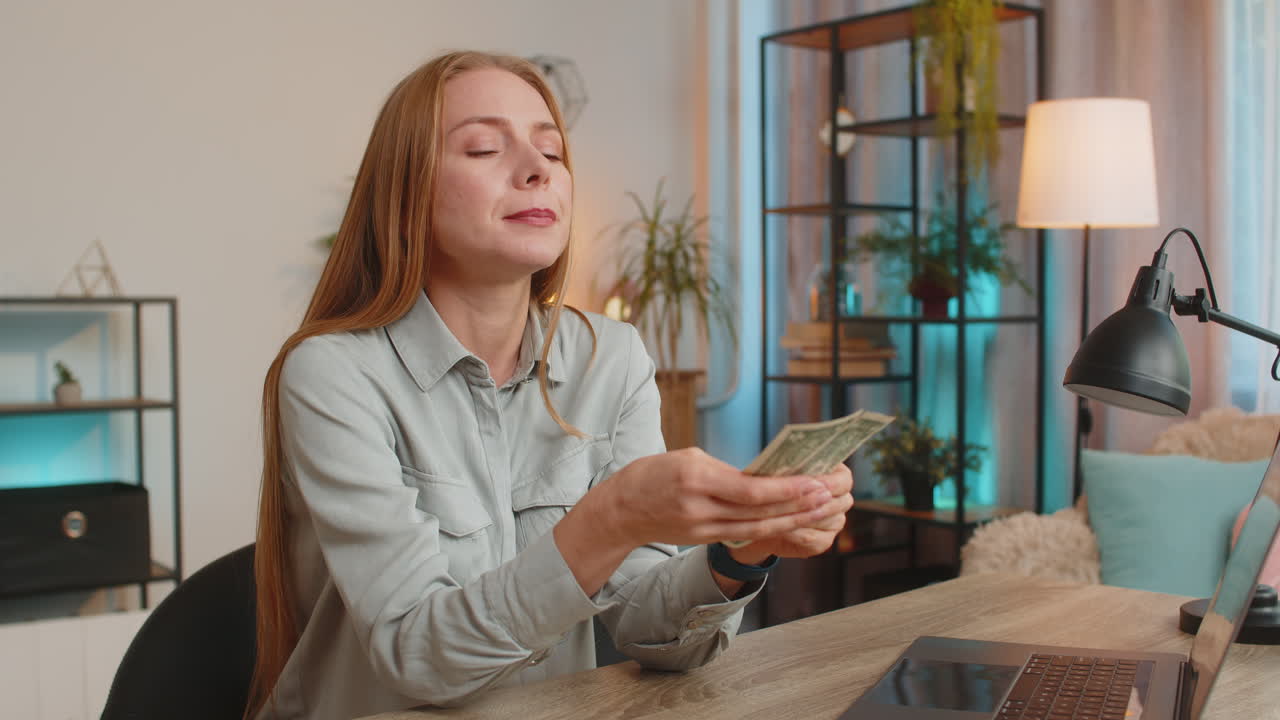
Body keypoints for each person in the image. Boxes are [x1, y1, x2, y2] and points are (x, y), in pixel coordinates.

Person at [246, 51, 853, 720]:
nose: (537, 169)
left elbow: (652, 634)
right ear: (407, 192)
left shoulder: (611, 357)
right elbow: (420, 656)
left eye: (552, 151)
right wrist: (613, 516)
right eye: (482, 147)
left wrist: (743, 547)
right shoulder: (332, 375)